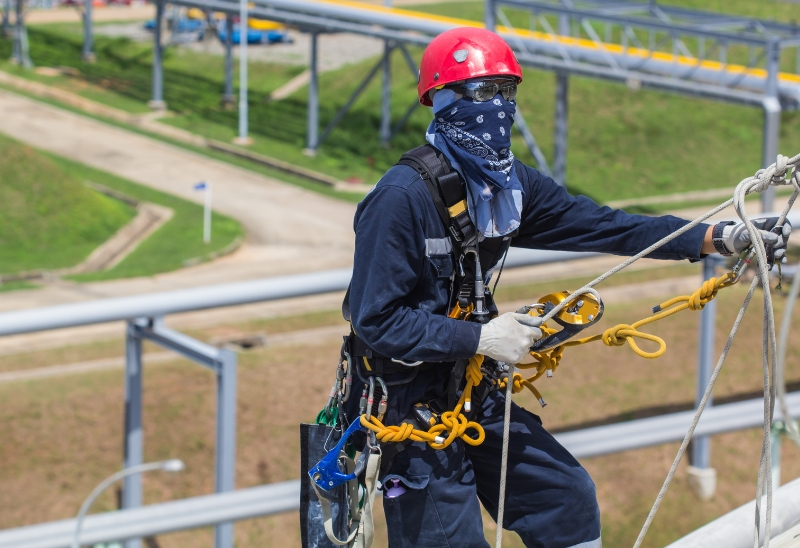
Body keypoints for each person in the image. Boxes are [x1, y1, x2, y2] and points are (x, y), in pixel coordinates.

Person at [343, 27, 791, 548]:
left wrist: (718, 237)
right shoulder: (401, 199)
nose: (500, 108)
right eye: (485, 92)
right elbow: (376, 319)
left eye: (508, 92)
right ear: (442, 100)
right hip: (407, 410)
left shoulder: (506, 188)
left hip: (470, 390)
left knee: (566, 499)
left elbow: (607, 226)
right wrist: (481, 339)